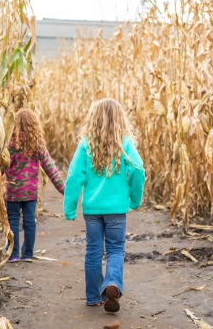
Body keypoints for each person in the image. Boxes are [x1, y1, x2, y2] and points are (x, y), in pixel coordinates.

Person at [63, 98, 145, 313]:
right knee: (116, 249)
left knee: (93, 251)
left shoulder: (85, 145)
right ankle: (112, 284)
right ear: (120, 119)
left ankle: (92, 297)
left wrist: (70, 208)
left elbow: (73, 177)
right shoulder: (124, 143)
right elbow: (138, 170)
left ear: (93, 119)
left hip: (92, 210)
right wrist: (135, 199)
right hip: (117, 209)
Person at [2, 108, 65, 263]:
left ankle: (13, 253)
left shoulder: (11, 145)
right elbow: (50, 168)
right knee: (30, 221)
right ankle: (28, 254)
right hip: (30, 193)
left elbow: (0, 168)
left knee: (13, 221)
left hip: (13, 192)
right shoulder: (37, 145)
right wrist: (64, 190)